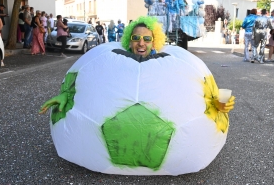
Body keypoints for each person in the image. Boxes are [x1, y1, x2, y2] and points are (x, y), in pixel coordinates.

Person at [39, 16, 235, 115]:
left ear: (154, 41)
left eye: (147, 39)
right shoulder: (115, 61)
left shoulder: (168, 65)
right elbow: (94, 80)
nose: (141, 43)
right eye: (136, 38)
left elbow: (186, 93)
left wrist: (216, 104)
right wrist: (68, 94)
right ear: (128, 40)